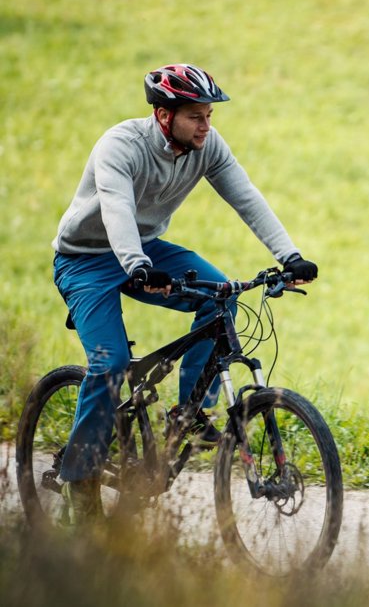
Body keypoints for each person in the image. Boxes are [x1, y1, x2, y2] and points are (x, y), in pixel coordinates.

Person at [51, 63, 318, 524]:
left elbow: (246, 197)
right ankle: (79, 477)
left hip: (148, 250)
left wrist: (290, 255)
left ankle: (189, 411)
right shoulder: (120, 146)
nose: (206, 126)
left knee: (221, 296)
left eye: (209, 115)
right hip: (86, 259)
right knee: (110, 363)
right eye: (196, 116)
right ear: (163, 115)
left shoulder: (206, 146)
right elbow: (116, 208)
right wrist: (136, 265)